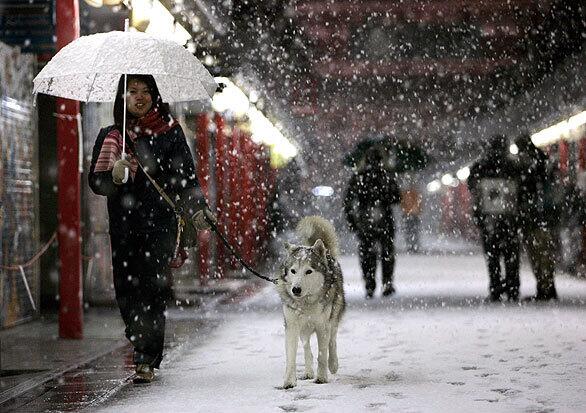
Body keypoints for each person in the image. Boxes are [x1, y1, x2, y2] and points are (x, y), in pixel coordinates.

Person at [89, 75, 213, 383]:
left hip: (160, 226)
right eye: (133, 91)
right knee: (127, 290)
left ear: (155, 96)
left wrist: (197, 209)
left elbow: (187, 177)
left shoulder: (170, 134)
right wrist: (113, 176)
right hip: (124, 228)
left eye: (146, 91)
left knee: (153, 290)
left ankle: (146, 356)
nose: (140, 97)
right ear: (123, 97)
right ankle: (138, 336)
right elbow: (96, 182)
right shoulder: (112, 135)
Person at [468, 135, 522, 302]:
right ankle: (512, 288)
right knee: (511, 254)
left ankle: (496, 287)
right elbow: (522, 190)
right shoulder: (513, 166)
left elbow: (472, 186)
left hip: (488, 218)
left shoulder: (480, 166)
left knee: (492, 255)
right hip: (510, 217)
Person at [344, 146, 401, 298]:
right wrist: (384, 198)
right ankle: (387, 282)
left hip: (365, 219)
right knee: (387, 252)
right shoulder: (387, 175)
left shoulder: (359, 176)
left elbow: (348, 200)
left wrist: (352, 221)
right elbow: (397, 197)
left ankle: (370, 284)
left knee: (366, 252)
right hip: (385, 219)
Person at [515, 133, 558, 301]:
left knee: (538, 254)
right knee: (545, 253)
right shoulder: (542, 159)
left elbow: (527, 188)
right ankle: (547, 287)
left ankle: (545, 289)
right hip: (544, 215)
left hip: (534, 215)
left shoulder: (528, 163)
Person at [400, 185, 422, 253]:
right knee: (411, 231)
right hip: (411, 214)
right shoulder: (412, 193)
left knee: (411, 231)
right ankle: (412, 246)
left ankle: (412, 246)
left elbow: (403, 204)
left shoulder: (408, 193)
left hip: (411, 214)